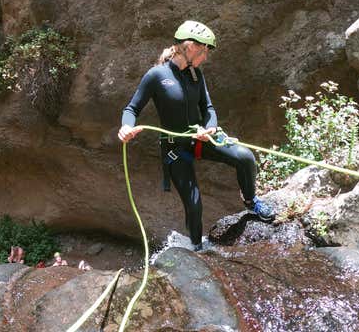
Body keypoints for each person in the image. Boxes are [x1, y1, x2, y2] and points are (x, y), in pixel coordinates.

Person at [118, 20, 275, 251]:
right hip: (175, 148)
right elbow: (132, 109)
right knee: (194, 205)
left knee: (245, 157)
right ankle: (196, 248)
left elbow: (208, 109)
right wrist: (126, 127)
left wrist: (209, 128)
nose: (206, 58)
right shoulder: (156, 76)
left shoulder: (196, 76)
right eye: (204, 52)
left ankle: (251, 202)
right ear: (190, 47)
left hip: (201, 139)